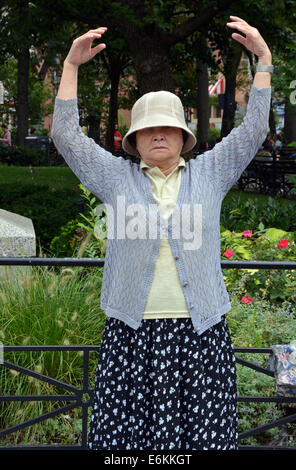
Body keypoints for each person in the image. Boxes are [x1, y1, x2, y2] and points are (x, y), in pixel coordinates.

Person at [51, 16, 272, 451]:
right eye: (146, 127)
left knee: (199, 442)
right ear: (134, 138)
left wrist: (262, 61)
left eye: (167, 126)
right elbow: (66, 136)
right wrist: (71, 68)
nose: (157, 134)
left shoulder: (210, 173)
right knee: (128, 449)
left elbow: (254, 131)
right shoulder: (116, 178)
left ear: (183, 134)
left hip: (201, 334)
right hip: (131, 334)